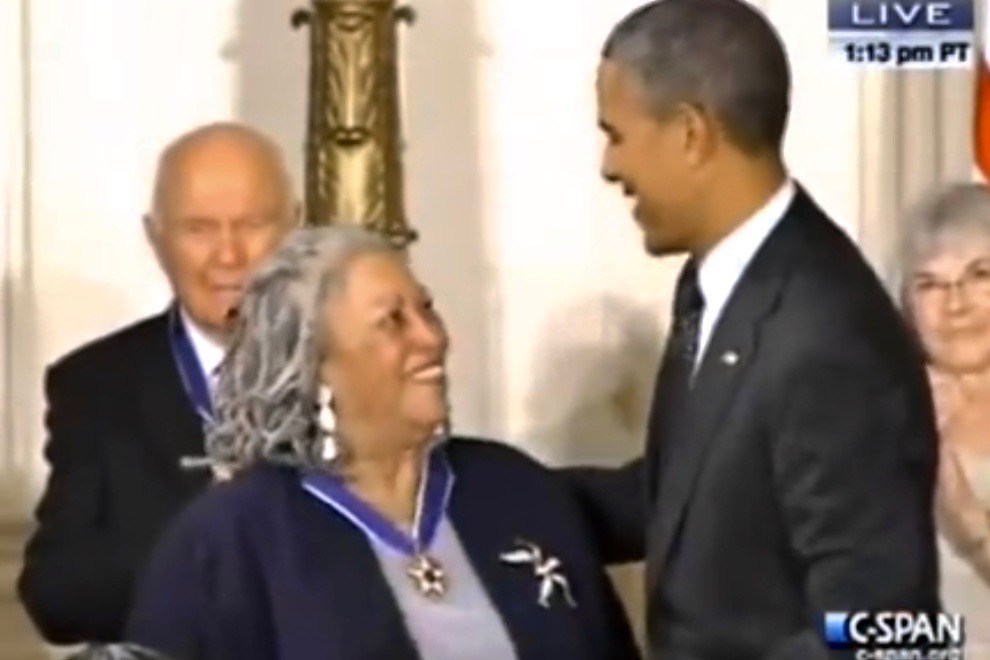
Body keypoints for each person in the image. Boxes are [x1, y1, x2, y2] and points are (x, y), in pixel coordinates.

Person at [568, 0, 941, 657]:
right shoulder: (720, 283)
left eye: (616, 135)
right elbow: (682, 494)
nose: (608, 166)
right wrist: (487, 497)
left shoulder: (827, 333)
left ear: (691, 133)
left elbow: (879, 629)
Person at [123, 226, 641, 660]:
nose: (432, 338)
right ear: (316, 364)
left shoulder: (514, 488)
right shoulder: (229, 542)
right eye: (393, 321)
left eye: (427, 310)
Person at [18, 122, 298, 644]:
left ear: (294, 229)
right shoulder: (95, 385)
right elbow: (57, 595)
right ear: (157, 239)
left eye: (252, 224)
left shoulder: (361, 368)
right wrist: (202, 559)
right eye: (199, 229)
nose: (228, 255)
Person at [898, 183, 990, 656]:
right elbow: (840, 627)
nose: (956, 304)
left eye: (980, 275)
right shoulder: (876, 412)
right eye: (930, 285)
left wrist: (969, 524)